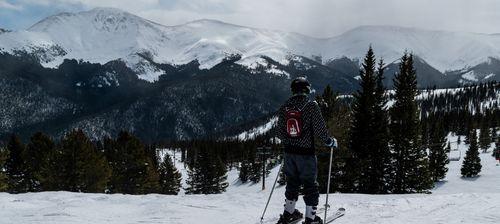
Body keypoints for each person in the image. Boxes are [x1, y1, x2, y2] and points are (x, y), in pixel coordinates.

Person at [276, 77, 337, 224]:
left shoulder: (285, 106)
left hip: (289, 153)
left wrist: (290, 142)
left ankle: (289, 213)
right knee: (310, 184)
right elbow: (320, 128)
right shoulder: (311, 106)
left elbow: (279, 133)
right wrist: (330, 141)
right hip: (306, 154)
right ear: (307, 89)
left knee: (292, 182)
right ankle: (311, 218)